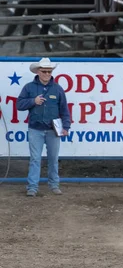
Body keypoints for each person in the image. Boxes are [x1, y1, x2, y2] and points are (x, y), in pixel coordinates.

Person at [17, 58, 71, 197]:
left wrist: (66, 126)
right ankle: (32, 187)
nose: (47, 74)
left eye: (49, 71)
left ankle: (54, 185)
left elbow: (64, 110)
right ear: (38, 72)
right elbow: (19, 105)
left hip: (53, 130)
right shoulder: (29, 88)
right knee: (35, 159)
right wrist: (33, 101)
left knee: (53, 158)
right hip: (35, 129)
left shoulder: (58, 89)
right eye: (44, 71)